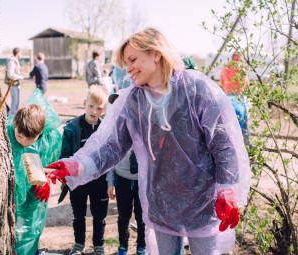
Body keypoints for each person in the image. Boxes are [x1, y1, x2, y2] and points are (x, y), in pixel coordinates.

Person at [41, 28, 251, 255]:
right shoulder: (133, 100)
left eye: (132, 60)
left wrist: (227, 189)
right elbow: (112, 146)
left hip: (203, 201)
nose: (128, 68)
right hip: (161, 201)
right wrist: (76, 165)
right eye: (125, 63)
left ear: (156, 54)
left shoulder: (196, 89)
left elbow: (223, 144)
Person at [59, 85, 109, 255]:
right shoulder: (72, 128)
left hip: (99, 182)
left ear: (104, 109)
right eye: (91, 106)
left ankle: (98, 245)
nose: (94, 111)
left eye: (99, 108)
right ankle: (79, 244)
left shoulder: (106, 129)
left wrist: (110, 181)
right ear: (85, 103)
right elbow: (64, 154)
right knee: (78, 215)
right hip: (78, 183)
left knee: (99, 216)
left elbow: (110, 156)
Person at [7, 102, 62, 255]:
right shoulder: (4, 134)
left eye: (30, 139)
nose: (24, 142)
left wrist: (44, 178)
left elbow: (50, 163)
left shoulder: (49, 139)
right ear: (14, 123)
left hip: (32, 193)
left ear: (40, 132)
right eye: (20, 135)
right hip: (8, 195)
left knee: (28, 229)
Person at [106, 93, 146, 255]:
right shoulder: (115, 132)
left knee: (142, 217)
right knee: (123, 216)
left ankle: (142, 246)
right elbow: (110, 160)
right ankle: (123, 245)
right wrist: (110, 183)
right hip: (122, 180)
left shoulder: (144, 129)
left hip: (141, 181)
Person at [219, 52, 251, 146]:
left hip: (227, 97)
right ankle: (247, 146)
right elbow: (246, 83)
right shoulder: (241, 67)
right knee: (244, 124)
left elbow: (221, 81)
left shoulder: (225, 67)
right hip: (238, 97)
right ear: (239, 58)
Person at [6, 47, 25, 115]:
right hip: (13, 84)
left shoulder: (16, 60)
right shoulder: (12, 61)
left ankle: (16, 116)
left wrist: (20, 75)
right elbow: (10, 74)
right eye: (21, 52)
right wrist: (20, 76)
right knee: (14, 101)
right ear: (18, 53)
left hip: (17, 83)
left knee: (18, 102)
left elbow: (16, 72)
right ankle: (11, 116)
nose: (21, 54)